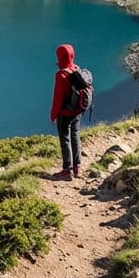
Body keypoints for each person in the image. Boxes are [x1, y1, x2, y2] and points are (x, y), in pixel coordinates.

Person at [49, 43, 82, 180]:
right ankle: (77, 167)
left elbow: (58, 98)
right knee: (75, 136)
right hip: (77, 111)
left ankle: (66, 170)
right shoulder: (77, 69)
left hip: (65, 114)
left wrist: (53, 115)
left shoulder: (61, 75)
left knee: (65, 140)